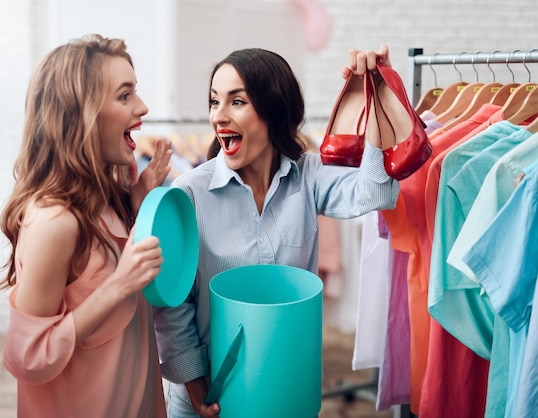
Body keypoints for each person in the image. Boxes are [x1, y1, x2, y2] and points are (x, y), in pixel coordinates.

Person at [153, 45, 401, 417]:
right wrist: (195, 387)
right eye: (214, 101)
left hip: (287, 389)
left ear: (272, 109)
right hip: (211, 398)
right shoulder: (188, 193)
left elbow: (377, 191)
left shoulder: (310, 175)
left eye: (237, 102)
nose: (218, 116)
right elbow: (173, 306)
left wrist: (380, 96)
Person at [0, 34, 172, 418]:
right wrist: (119, 285)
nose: (142, 107)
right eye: (124, 96)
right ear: (81, 113)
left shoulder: (110, 196)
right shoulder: (53, 221)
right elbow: (27, 357)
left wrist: (137, 206)